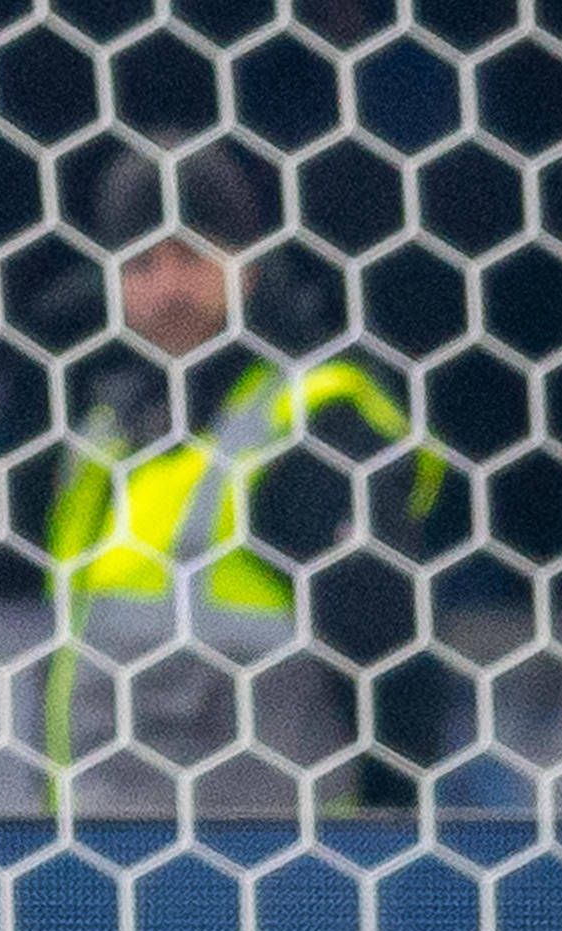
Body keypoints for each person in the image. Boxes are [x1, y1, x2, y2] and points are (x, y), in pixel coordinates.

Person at [24, 150, 456, 820]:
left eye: (193, 257)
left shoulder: (312, 421)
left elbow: (388, 655)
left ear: (249, 267)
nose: (169, 287)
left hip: (276, 865)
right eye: (142, 264)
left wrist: (388, 838)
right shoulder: (103, 436)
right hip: (101, 855)